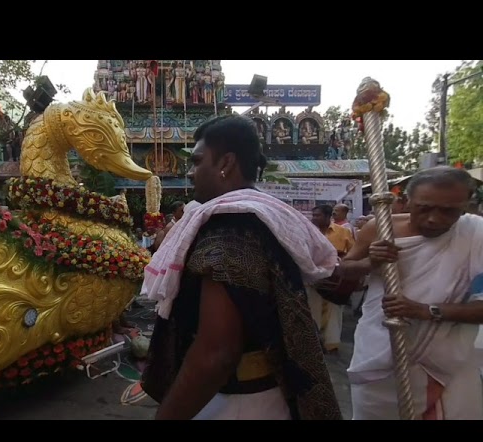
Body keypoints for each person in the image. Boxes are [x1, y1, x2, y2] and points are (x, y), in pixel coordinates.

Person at [140, 114, 342, 420]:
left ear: (226, 163)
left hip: (238, 403)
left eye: (197, 162)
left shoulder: (230, 228)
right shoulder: (270, 217)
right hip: (264, 393)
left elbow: (216, 353)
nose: (191, 173)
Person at [340, 166, 483, 420]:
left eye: (448, 211)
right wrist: (370, 263)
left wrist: (425, 311)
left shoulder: (475, 235)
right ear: (407, 201)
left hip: (445, 361)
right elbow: (344, 270)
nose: (434, 219)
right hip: (380, 352)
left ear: (466, 206)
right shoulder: (380, 228)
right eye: (424, 208)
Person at [306, 204, 355, 354]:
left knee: (334, 312)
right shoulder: (307, 231)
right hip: (313, 278)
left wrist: (342, 265)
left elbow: (353, 252)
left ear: (328, 217)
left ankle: (331, 344)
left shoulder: (343, 232)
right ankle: (314, 343)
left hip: (335, 280)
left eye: (318, 215)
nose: (314, 218)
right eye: (313, 215)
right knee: (312, 310)